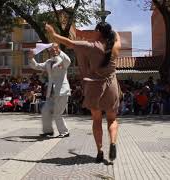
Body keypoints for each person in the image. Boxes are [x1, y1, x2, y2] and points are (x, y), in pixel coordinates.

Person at [45, 22, 121, 162]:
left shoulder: (90, 46)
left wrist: (53, 33)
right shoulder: (115, 48)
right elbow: (117, 37)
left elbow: (68, 42)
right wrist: (112, 31)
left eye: (95, 30)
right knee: (112, 119)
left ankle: (100, 152)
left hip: (95, 87)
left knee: (97, 120)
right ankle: (113, 143)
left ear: (98, 31)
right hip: (112, 86)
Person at [28, 43, 71, 138]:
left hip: (62, 91)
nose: (53, 51)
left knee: (57, 113)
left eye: (55, 49)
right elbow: (37, 66)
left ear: (58, 50)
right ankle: (48, 131)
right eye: (51, 50)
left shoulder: (63, 60)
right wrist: (31, 58)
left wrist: (60, 52)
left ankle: (64, 132)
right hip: (51, 92)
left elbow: (68, 60)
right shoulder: (48, 62)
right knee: (45, 111)